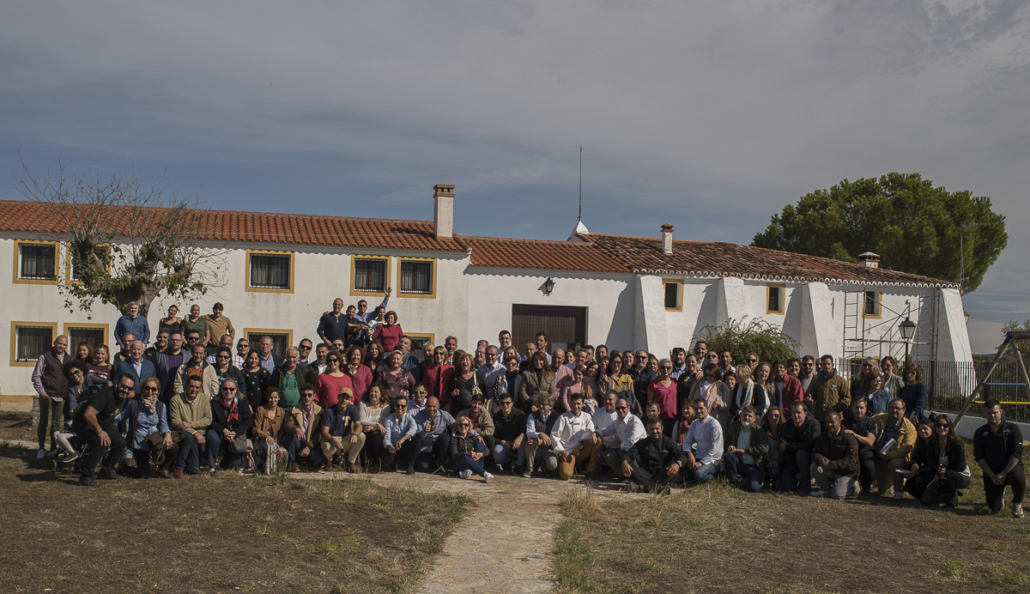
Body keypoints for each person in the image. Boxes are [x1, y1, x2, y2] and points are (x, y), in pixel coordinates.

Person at [73, 374, 134, 486]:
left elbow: (136, 394)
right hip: (84, 423)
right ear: (117, 383)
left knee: (120, 442)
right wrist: (100, 432)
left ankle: (107, 470)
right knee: (101, 444)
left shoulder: (125, 394)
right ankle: (86, 476)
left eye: (129, 388)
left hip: (102, 423)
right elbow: (89, 414)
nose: (126, 390)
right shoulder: (105, 396)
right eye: (123, 386)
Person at [118, 377, 178, 479]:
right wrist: (107, 415)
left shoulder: (161, 406)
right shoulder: (134, 404)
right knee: (145, 475)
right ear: (143, 389)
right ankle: (124, 467)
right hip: (139, 442)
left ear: (157, 391)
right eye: (147, 388)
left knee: (173, 447)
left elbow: (164, 424)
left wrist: (167, 435)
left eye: (153, 389)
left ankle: (162, 469)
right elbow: (120, 416)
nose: (150, 391)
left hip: (154, 440)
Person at [973, 400, 1025, 517]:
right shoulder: (980, 433)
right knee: (994, 509)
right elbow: (979, 457)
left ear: (1001, 412)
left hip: (1010, 469)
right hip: (992, 472)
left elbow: (1016, 453)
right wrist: (992, 475)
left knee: (1019, 479)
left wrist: (1004, 473)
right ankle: (1000, 494)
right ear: (985, 414)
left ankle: (1017, 502)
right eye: (989, 413)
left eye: (995, 412)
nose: (992, 416)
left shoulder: (1012, 429)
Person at [904, 416, 970, 508]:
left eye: (945, 425)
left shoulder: (956, 442)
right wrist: (937, 469)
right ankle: (944, 494)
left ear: (950, 427)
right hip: (940, 472)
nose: (941, 428)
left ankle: (952, 497)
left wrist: (939, 473)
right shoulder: (933, 442)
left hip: (959, 475)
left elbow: (957, 465)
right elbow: (931, 461)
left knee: (947, 474)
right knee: (925, 500)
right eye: (938, 425)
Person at [621, 416, 688, 493]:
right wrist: (624, 463)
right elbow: (629, 454)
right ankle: (658, 487)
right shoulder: (642, 443)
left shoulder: (668, 442)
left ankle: (643, 487)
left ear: (662, 428)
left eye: (657, 428)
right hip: (646, 474)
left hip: (663, 473)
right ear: (647, 430)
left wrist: (677, 464)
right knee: (631, 468)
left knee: (674, 467)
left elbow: (682, 455)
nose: (654, 431)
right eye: (651, 429)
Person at [31, 334, 70, 458]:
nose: (61, 346)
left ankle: (53, 448)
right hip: (47, 395)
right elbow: (36, 376)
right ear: (55, 343)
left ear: (67, 346)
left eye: (64, 344)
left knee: (56, 424)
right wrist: (43, 393)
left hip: (61, 396)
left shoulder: (68, 359)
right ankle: (41, 449)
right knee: (43, 422)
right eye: (59, 343)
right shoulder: (45, 356)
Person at [871, 398, 917, 498]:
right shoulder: (880, 418)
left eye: (898, 408)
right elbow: (867, 422)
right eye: (892, 407)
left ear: (904, 410)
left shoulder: (910, 428)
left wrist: (890, 455)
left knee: (895, 463)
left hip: (894, 457)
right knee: (883, 491)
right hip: (878, 456)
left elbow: (906, 448)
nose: (894, 410)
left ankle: (899, 490)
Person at [205, 379, 253, 472]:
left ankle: (224, 462)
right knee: (211, 436)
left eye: (231, 389)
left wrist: (235, 433)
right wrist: (223, 430)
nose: (228, 391)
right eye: (225, 388)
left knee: (233, 468)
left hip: (235, 434)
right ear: (221, 389)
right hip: (219, 432)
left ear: (236, 389)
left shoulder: (242, 401)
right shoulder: (214, 402)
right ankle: (212, 465)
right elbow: (210, 421)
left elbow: (248, 420)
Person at [169, 375, 213, 477]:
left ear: (200, 388)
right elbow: (177, 422)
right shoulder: (176, 399)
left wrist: (191, 424)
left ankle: (181, 462)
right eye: (191, 386)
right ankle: (179, 467)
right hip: (181, 434)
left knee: (194, 470)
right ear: (186, 385)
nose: (194, 389)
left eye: (197, 387)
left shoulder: (205, 398)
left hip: (197, 437)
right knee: (188, 436)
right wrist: (195, 432)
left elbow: (208, 419)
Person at [810, 411, 859, 499]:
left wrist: (830, 465)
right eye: (827, 422)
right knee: (814, 466)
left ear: (839, 422)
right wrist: (820, 459)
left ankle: (853, 486)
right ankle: (826, 489)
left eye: (832, 422)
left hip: (846, 472)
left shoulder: (849, 438)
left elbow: (851, 460)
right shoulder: (823, 437)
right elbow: (815, 452)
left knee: (838, 495)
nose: (829, 425)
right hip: (830, 469)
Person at [550, 394, 600, 480]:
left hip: (581, 450)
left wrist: (580, 442)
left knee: (598, 440)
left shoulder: (587, 416)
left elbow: (591, 431)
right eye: (574, 404)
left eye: (578, 404)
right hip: (568, 452)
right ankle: (566, 465)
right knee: (566, 475)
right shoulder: (563, 417)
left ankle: (591, 470)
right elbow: (554, 435)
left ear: (583, 404)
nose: (576, 406)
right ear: (570, 404)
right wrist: (563, 452)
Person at [722, 405, 768, 492]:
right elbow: (726, 442)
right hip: (739, 462)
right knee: (728, 455)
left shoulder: (758, 431)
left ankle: (747, 479)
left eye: (750, 416)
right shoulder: (734, 428)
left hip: (753, 465)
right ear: (741, 416)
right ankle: (733, 482)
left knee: (755, 489)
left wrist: (745, 450)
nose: (746, 417)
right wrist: (729, 446)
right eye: (744, 415)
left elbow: (764, 448)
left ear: (754, 418)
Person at [779, 402, 821, 494]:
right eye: (793, 412)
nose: (795, 415)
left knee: (801, 453)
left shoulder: (814, 424)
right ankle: (798, 478)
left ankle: (805, 484)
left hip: (809, 458)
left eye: (798, 412)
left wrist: (789, 445)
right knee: (787, 487)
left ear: (805, 413)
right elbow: (784, 450)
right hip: (792, 460)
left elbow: (809, 445)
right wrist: (796, 471)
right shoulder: (786, 426)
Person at [320, 388, 365, 473]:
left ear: (350, 400)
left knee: (361, 436)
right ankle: (329, 462)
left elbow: (359, 425)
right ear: (338, 397)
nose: (344, 400)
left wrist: (355, 434)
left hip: (344, 439)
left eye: (347, 398)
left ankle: (350, 462)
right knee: (327, 448)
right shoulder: (329, 411)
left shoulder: (352, 409)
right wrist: (333, 440)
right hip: (331, 439)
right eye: (342, 397)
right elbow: (324, 432)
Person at [283, 387, 326, 472]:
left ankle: (305, 461)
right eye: (304, 395)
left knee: (317, 458)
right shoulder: (293, 409)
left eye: (309, 395)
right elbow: (288, 425)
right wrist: (296, 429)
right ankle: (292, 462)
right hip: (299, 442)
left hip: (312, 444)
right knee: (289, 436)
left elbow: (319, 434)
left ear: (314, 396)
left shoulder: (320, 412)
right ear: (301, 396)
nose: (307, 397)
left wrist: (309, 447)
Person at [842, 397, 879, 495]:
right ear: (852, 408)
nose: (859, 410)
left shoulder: (871, 422)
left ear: (865, 409)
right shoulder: (845, 422)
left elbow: (870, 442)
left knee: (868, 464)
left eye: (862, 408)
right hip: (849, 451)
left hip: (865, 451)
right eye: (856, 407)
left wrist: (854, 434)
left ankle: (867, 487)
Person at [682, 398, 723, 484]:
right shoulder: (694, 423)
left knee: (698, 474)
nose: (698, 411)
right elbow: (687, 441)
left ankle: (715, 477)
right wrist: (690, 454)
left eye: (701, 408)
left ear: (707, 408)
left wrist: (701, 463)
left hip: (712, 459)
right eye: (696, 409)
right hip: (698, 455)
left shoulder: (713, 424)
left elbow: (715, 448)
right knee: (683, 467)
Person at [804, 355, 851, 424]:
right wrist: (808, 400)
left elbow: (847, 399)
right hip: (820, 418)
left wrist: (835, 408)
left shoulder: (840, 381)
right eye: (824, 364)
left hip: (835, 419)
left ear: (832, 365)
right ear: (821, 366)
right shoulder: (817, 381)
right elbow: (809, 394)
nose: (826, 366)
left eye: (828, 364)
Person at [250, 387, 287, 472]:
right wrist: (267, 437)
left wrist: (276, 442)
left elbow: (281, 431)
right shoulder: (261, 410)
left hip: (275, 441)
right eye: (270, 397)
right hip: (260, 440)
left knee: (283, 452)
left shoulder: (281, 411)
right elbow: (255, 429)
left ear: (279, 398)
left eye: (275, 397)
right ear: (267, 398)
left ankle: (277, 471)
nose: (273, 400)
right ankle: (267, 470)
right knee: (270, 448)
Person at [414, 397, 455, 472]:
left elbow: (458, 425)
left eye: (434, 406)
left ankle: (442, 463)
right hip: (425, 446)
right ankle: (433, 462)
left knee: (445, 437)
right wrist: (424, 431)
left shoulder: (445, 415)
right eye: (429, 406)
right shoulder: (419, 416)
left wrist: (475, 433)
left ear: (439, 406)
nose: (431, 408)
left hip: (439, 445)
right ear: (425, 406)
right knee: (423, 467)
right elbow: (418, 437)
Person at [451, 415, 494, 482]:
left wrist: (480, 454)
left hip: (475, 463)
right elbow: (454, 454)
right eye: (460, 424)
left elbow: (486, 449)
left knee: (479, 444)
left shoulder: (472, 436)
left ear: (469, 427)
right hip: (460, 465)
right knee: (466, 457)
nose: (463, 426)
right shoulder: (454, 438)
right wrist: (467, 453)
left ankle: (468, 472)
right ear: (457, 426)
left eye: (466, 425)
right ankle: (484, 473)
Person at [688, 364, 731, 431]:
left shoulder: (722, 386)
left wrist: (718, 403)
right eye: (706, 375)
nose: (708, 377)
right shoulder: (698, 384)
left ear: (716, 375)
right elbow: (690, 400)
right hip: (699, 420)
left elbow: (728, 405)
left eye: (711, 375)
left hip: (717, 420)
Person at [490, 393, 526, 472]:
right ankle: (508, 461)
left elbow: (525, 430)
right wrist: (502, 442)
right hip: (506, 445)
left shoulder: (520, 414)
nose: (505, 405)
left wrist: (519, 438)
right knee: (496, 453)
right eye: (502, 403)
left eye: (508, 403)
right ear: (499, 404)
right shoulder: (496, 417)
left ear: (512, 404)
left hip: (519, 445)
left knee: (525, 441)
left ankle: (518, 465)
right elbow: (494, 436)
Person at [359, 384, 390, 471]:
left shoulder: (385, 407)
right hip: (365, 430)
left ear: (381, 394)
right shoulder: (362, 404)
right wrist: (377, 425)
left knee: (376, 435)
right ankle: (366, 461)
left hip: (378, 432)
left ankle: (377, 461)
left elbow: (383, 424)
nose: (373, 394)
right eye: (371, 391)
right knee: (365, 434)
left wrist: (374, 428)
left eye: (376, 392)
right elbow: (362, 421)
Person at [647, 359, 678, 435]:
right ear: (659, 368)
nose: (665, 370)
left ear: (671, 369)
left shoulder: (675, 382)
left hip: (674, 417)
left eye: (668, 368)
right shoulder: (653, 383)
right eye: (663, 367)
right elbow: (650, 402)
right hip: (659, 418)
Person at [762, 406, 784, 491]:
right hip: (770, 462)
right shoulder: (763, 430)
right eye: (771, 415)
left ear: (780, 417)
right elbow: (761, 448)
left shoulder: (784, 429)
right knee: (773, 471)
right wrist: (769, 458)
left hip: (783, 463)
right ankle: (767, 478)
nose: (773, 418)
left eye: (776, 416)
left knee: (778, 487)